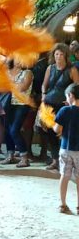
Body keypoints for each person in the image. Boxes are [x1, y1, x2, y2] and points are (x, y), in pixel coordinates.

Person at [40, 44, 72, 170]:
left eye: (61, 54)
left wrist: (71, 100)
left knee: (63, 132)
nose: (58, 57)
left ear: (65, 55)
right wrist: (43, 94)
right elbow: (44, 84)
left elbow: (77, 86)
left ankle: (66, 160)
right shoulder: (50, 68)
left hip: (63, 105)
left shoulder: (71, 70)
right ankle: (55, 160)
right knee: (49, 131)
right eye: (56, 54)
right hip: (49, 103)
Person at [2, 60, 34, 167]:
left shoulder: (28, 73)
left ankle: (24, 157)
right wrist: (14, 85)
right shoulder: (7, 72)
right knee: (7, 129)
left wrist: (9, 85)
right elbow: (1, 87)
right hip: (8, 104)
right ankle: (10, 155)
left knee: (14, 130)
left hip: (22, 104)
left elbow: (23, 88)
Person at [54, 83, 79, 213]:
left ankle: (63, 205)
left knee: (65, 176)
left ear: (70, 96)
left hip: (66, 148)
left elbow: (57, 129)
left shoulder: (64, 110)